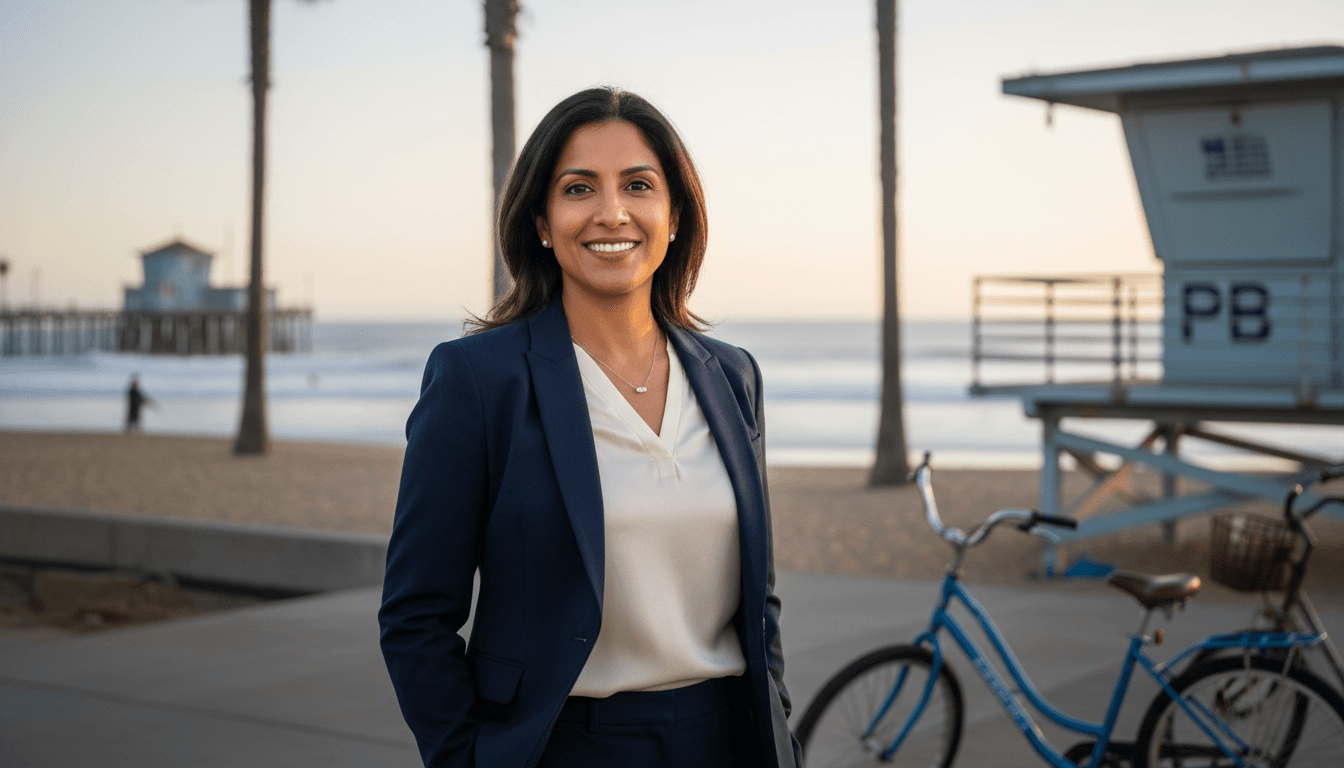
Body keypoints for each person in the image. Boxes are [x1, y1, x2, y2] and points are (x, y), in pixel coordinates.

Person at [378, 87, 799, 768]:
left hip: (726, 740)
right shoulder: (480, 380)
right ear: (542, 221)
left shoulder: (732, 376)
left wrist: (780, 736)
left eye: (639, 185)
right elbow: (415, 616)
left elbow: (760, 601)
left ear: (675, 216)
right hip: (564, 745)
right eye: (579, 188)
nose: (612, 213)